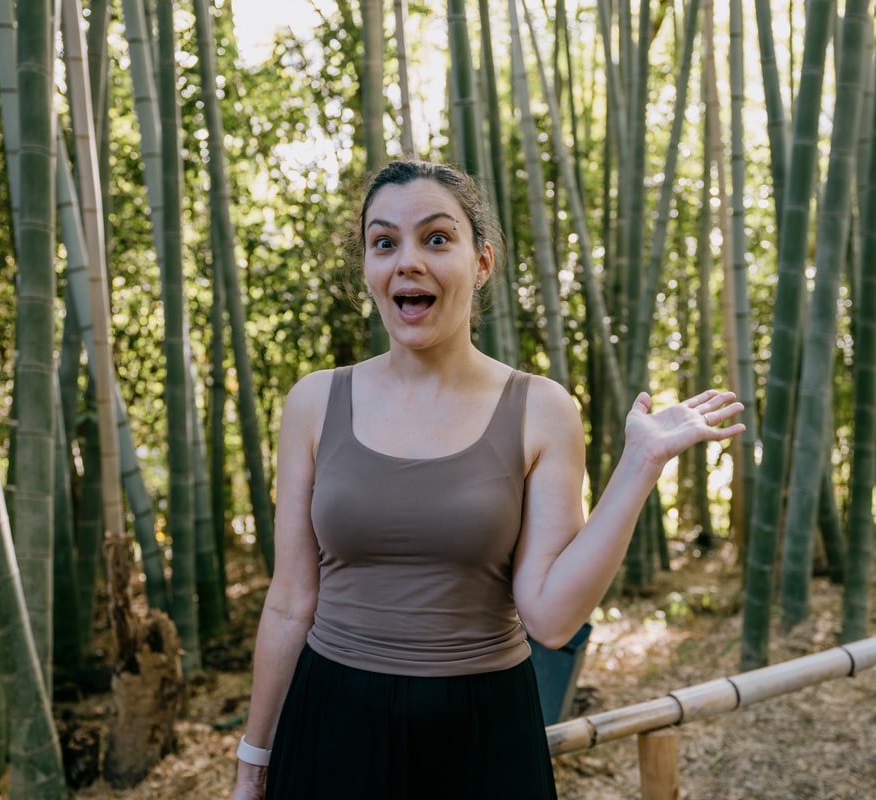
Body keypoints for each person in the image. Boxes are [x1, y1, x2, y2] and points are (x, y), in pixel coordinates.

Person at [231, 160, 745, 800]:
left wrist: (640, 466)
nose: (407, 261)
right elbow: (288, 603)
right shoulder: (314, 403)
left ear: (482, 263)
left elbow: (552, 620)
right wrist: (254, 762)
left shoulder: (542, 408)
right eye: (384, 242)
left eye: (437, 238)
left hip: (483, 730)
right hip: (333, 720)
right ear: (368, 269)